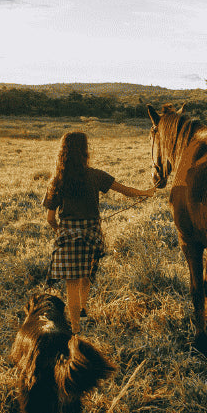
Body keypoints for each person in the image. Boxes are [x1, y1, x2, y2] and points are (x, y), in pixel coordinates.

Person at [44, 131, 156, 330]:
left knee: (72, 284)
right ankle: (84, 309)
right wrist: (145, 193)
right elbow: (125, 190)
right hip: (92, 235)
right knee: (87, 273)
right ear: (84, 151)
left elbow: (50, 218)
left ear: (63, 152)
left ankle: (76, 329)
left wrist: (60, 231)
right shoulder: (95, 175)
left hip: (67, 235)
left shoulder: (57, 180)